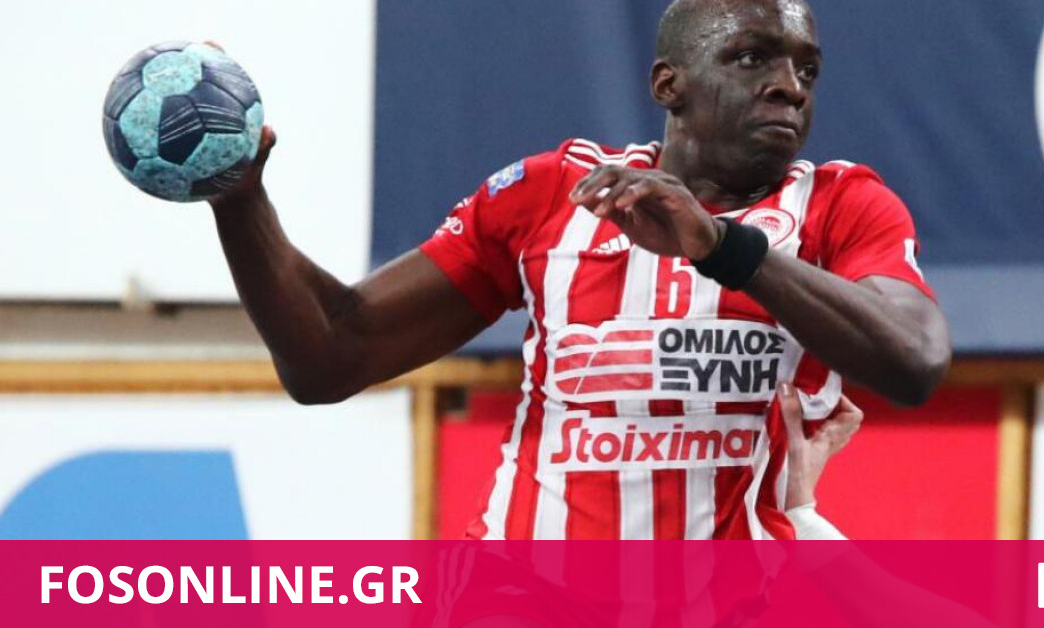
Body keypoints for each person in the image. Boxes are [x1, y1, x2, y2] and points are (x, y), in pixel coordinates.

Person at [208, 0, 951, 540]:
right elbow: (330, 356)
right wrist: (240, 202)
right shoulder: (550, 194)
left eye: (807, 68)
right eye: (752, 58)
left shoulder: (841, 206)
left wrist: (724, 249)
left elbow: (915, 360)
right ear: (668, 84)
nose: (790, 84)